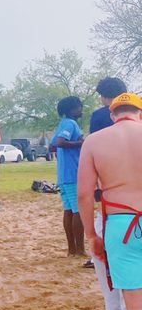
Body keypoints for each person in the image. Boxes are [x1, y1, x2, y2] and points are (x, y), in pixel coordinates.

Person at [78, 92, 142, 310]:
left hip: (120, 221)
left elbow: (83, 194)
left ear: (112, 115)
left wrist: (91, 235)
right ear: (139, 113)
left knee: (135, 304)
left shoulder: (94, 141)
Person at [50, 96, 86, 258]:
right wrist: (81, 143)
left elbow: (51, 145)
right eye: (79, 107)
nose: (81, 110)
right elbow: (59, 142)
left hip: (64, 175)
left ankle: (72, 249)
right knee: (79, 211)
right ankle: (79, 250)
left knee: (69, 210)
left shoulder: (63, 124)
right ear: (71, 109)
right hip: (73, 174)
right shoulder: (71, 124)